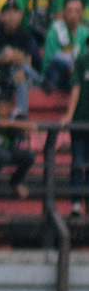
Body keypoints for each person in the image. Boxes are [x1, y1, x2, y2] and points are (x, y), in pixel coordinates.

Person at [63, 38, 89, 213]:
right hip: (81, 121)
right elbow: (76, 88)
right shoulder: (81, 62)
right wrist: (69, 115)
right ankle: (76, 203)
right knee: (78, 162)